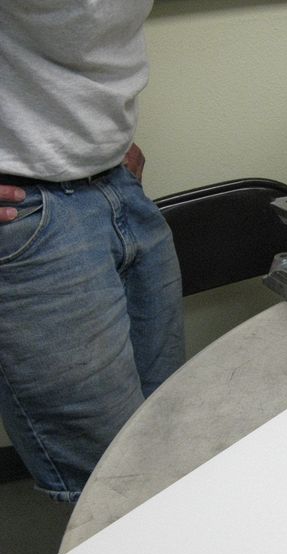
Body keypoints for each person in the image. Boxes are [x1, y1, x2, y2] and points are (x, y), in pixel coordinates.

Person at [0, 1, 185, 502]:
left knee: (163, 431)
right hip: (27, 215)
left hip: (116, 185)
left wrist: (97, 135)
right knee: (112, 488)